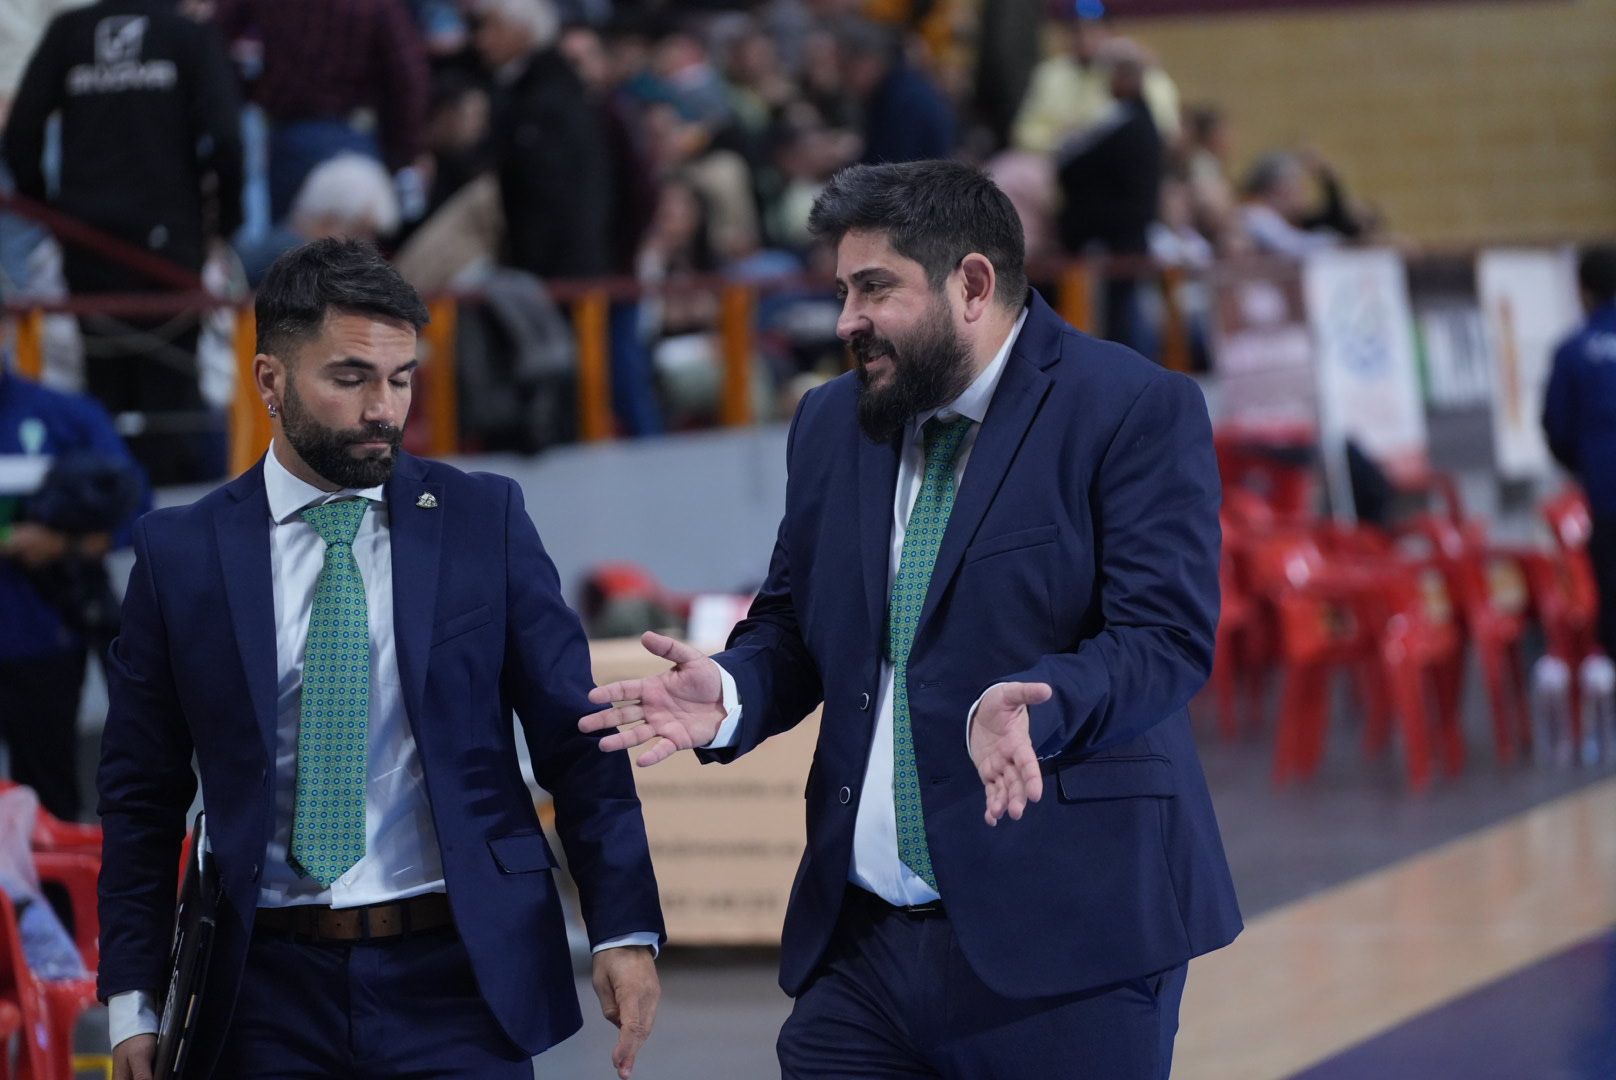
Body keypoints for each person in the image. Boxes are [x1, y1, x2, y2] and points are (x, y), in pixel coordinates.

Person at [583, 161, 1241, 1078]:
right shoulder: (829, 422)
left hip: (1066, 941)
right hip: (863, 946)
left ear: (972, 285)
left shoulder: (1128, 407)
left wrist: (1036, 708)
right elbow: (793, 626)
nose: (846, 318)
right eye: (843, 288)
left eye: (874, 288)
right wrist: (732, 692)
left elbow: (1163, 638)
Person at [97, 238, 665, 1080]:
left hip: (459, 976)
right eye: (351, 377)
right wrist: (134, 1002)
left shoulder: (484, 520)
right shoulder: (181, 554)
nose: (383, 410)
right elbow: (141, 797)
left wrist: (622, 927)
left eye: (401, 380)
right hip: (260, 990)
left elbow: (576, 739)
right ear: (269, 382)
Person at [3, 0, 244, 486]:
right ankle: (168, 540)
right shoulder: (187, 37)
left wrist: (51, 214)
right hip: (171, 248)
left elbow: (20, 135)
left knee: (101, 393)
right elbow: (227, 139)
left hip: (88, 242)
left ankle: (106, 520)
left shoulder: (69, 32)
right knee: (171, 401)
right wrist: (224, 226)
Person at [0, 341, 146, 823]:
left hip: (42, 643)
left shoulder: (66, 416)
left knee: (48, 808)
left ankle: (50, 901)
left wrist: (64, 544)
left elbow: (136, 504)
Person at [1543, 244, 1616, 661]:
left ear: (1582, 290)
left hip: (1607, 498)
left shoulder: (1573, 352)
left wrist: (1588, 465)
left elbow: (1557, 427)